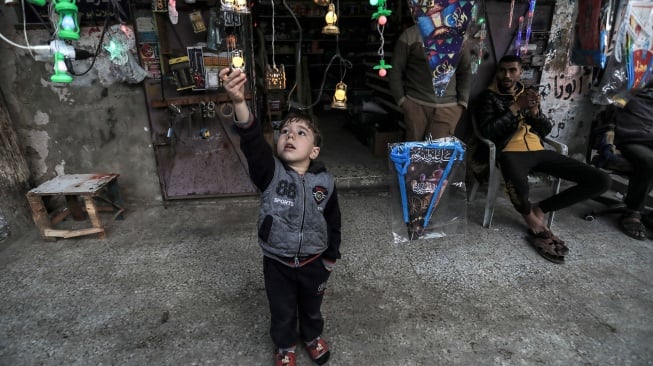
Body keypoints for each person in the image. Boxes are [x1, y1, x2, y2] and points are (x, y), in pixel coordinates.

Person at [220, 67, 342, 366]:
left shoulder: (325, 182)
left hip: (315, 261)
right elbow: (251, 141)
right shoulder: (270, 173)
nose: (290, 135)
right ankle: (285, 345)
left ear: (313, 151)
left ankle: (312, 337)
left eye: (301, 133)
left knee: (312, 306)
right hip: (278, 262)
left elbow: (334, 221)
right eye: (285, 131)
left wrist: (330, 257)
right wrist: (238, 101)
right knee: (282, 309)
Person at [476, 55, 611, 263]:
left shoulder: (528, 94)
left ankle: (540, 208)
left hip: (538, 150)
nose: (507, 75)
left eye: (512, 70)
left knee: (601, 181)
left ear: (521, 72)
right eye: (502, 70)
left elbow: (547, 129)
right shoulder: (488, 97)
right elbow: (488, 130)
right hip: (510, 151)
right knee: (518, 184)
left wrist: (535, 111)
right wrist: (514, 108)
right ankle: (533, 221)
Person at [389, 24, 472, 141]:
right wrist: (402, 101)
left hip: (447, 108)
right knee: (415, 154)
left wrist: (462, 103)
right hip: (416, 105)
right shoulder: (410, 35)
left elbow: (465, 71)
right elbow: (395, 70)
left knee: (437, 156)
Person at [611, 82, 653, 240]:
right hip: (632, 138)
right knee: (649, 162)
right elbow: (612, 104)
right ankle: (633, 212)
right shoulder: (629, 87)